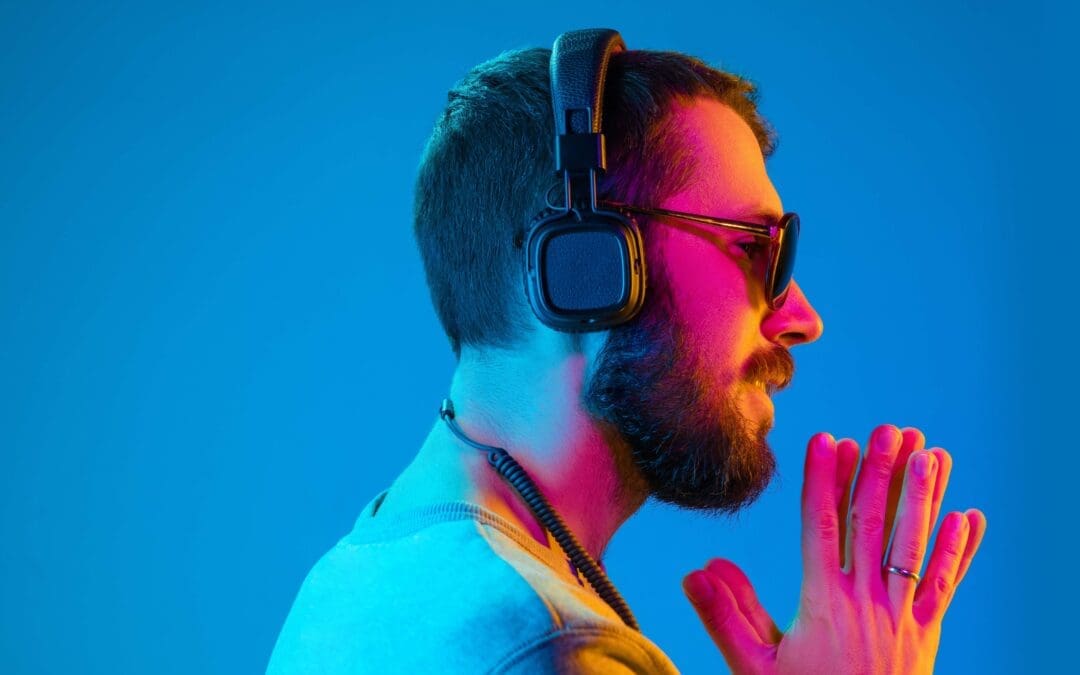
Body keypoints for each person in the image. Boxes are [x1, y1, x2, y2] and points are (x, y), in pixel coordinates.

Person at [267, 30, 986, 674]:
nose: (802, 317)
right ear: (586, 267)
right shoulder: (549, 647)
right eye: (754, 249)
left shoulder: (363, 569)